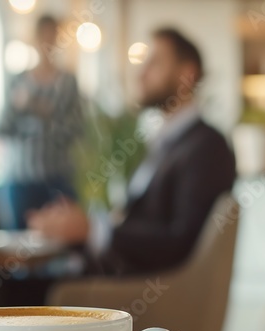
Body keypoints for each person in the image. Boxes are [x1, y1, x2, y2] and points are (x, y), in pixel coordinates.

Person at [28, 27, 236, 278]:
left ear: (186, 75)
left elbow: (181, 242)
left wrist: (93, 230)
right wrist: (76, 226)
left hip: (143, 292)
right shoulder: (165, 143)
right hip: (109, 276)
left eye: (155, 63)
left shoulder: (207, 147)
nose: (141, 73)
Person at [0, 15, 82, 230]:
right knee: (18, 248)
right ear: (34, 39)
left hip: (58, 178)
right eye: (42, 35)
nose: (47, 41)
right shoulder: (17, 81)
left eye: (52, 35)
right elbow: (2, 129)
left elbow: (77, 129)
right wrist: (23, 108)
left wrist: (37, 110)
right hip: (20, 179)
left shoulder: (68, 82)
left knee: (62, 247)